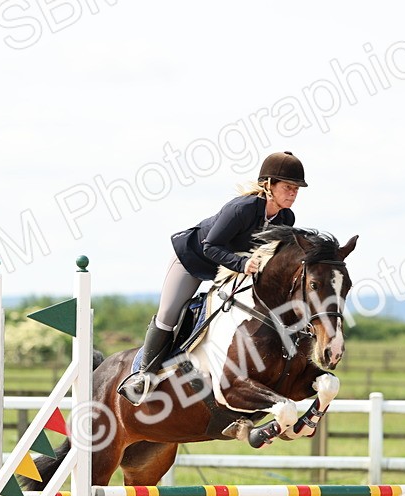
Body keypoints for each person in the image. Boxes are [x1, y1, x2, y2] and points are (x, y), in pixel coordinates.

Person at [117, 151, 307, 405]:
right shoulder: (242, 209)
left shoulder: (286, 218)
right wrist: (242, 263)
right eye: (288, 187)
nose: (293, 193)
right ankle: (142, 375)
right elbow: (210, 246)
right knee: (169, 316)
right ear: (268, 185)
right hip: (194, 260)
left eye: (296, 189)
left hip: (228, 271)